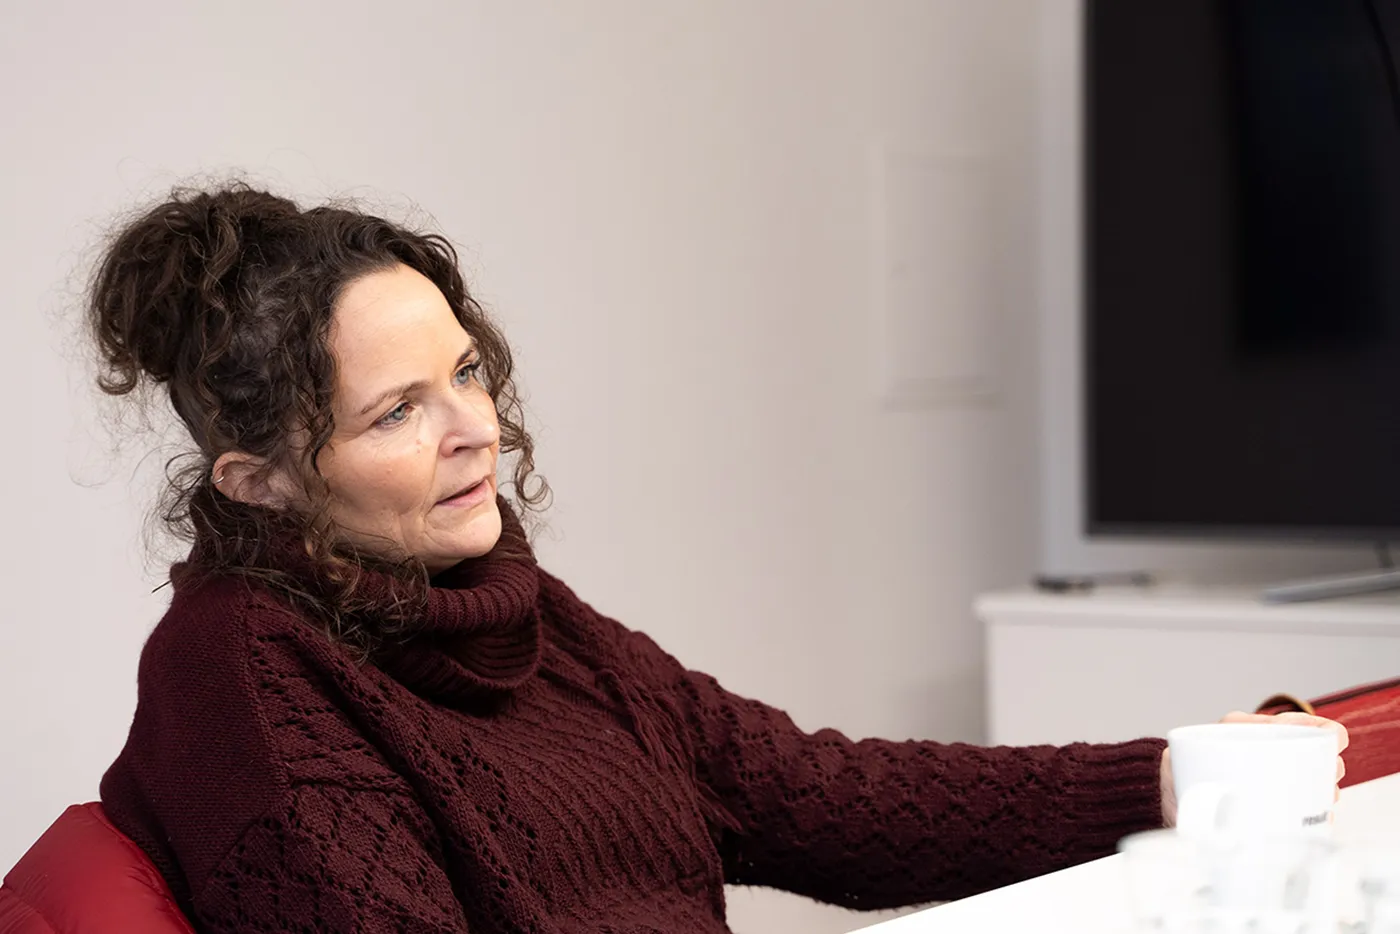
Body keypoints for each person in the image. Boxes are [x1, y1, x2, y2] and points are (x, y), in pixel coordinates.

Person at [93, 184, 1346, 934]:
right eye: (395, 410)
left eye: (464, 372)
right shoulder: (242, 670)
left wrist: (1164, 779)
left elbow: (811, 795)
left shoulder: (504, 612)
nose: (474, 426)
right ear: (258, 484)